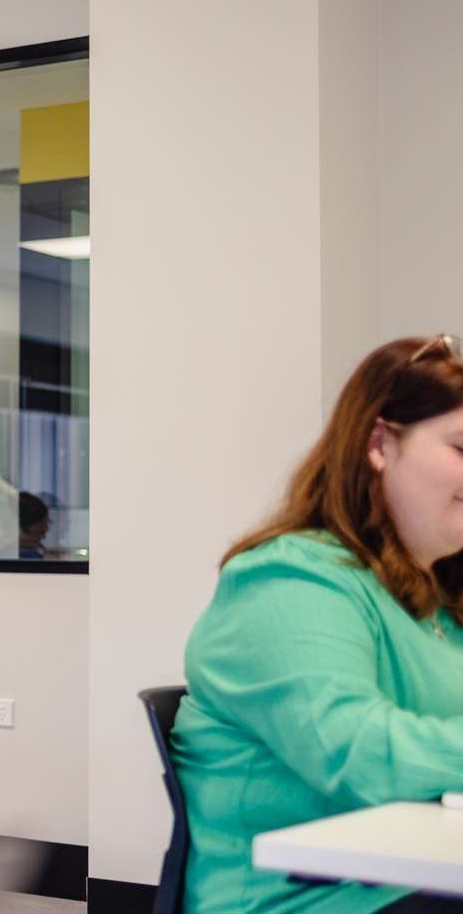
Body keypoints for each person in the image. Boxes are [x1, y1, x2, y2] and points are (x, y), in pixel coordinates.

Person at [175, 335, 463, 913]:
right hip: (305, 901)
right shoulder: (288, 579)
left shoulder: (437, 597)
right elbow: (362, 755)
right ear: (379, 442)